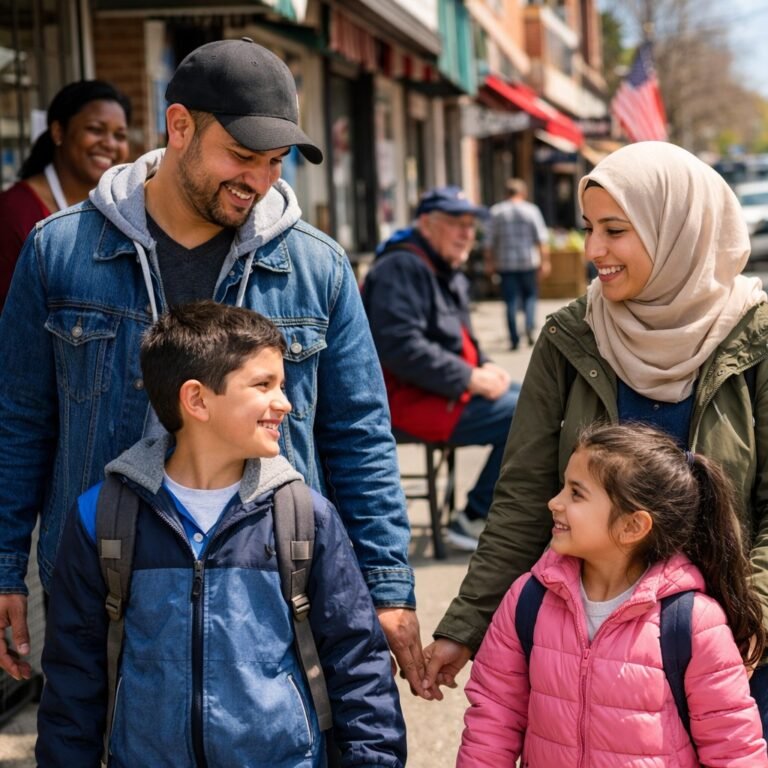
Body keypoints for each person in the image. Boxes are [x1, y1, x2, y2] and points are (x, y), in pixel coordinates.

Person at [0, 37, 424, 695]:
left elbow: (359, 436)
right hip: (104, 592)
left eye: (276, 162)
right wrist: (4, 568)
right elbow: (18, 421)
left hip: (275, 591)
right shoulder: (60, 252)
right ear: (179, 127)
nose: (260, 179)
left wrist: (387, 586)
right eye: (243, 156)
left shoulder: (316, 267)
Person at [423, 141, 768, 724]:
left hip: (730, 656)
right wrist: (466, 624)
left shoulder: (756, 337)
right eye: (588, 228)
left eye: (614, 230)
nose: (593, 250)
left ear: (675, 229)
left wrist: (748, 625)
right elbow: (524, 494)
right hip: (589, 654)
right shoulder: (570, 335)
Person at [35, 301, 407, 767]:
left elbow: (358, 664)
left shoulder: (303, 516)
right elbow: (72, 678)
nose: (284, 403)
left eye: (282, 385)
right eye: (263, 385)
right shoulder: (103, 516)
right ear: (196, 400)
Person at [457, 422, 768, 767]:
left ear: (632, 526)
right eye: (563, 487)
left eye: (576, 493)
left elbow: (733, 748)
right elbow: (493, 719)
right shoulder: (527, 600)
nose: (554, 502)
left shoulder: (693, 622)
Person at [361, 186, 519, 552]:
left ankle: (496, 512)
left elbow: (461, 336)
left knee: (540, 401)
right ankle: (475, 517)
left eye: (470, 225)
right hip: (404, 399)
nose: (466, 233)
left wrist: (486, 364)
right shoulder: (401, 266)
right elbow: (400, 347)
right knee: (524, 416)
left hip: (438, 388)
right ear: (426, 224)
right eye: (455, 223)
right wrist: (470, 377)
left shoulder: (440, 265)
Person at [0, 79, 131, 310]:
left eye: (120, 135)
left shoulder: (124, 208)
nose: (110, 144)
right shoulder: (14, 211)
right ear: (58, 132)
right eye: (95, 129)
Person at [483, 178, 550, 350]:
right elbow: (541, 239)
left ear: (506, 193)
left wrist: (489, 263)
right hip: (528, 262)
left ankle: (514, 338)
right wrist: (545, 261)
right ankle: (529, 327)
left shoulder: (496, 212)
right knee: (530, 297)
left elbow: (489, 242)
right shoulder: (531, 210)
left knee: (510, 300)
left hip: (505, 264)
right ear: (523, 193)